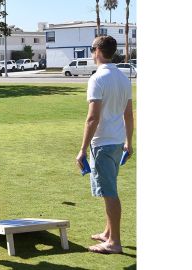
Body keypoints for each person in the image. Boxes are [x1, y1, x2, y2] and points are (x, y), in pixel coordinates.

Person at [76, 35, 134, 254]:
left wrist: (82, 149)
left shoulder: (97, 78)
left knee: (109, 192)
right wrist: (129, 142)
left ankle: (114, 243)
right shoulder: (122, 78)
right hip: (117, 141)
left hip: (103, 143)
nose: (91, 53)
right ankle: (108, 233)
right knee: (109, 188)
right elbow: (128, 115)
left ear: (98, 51)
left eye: (92, 49)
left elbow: (93, 118)